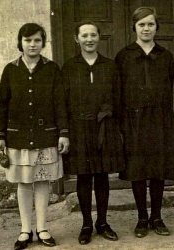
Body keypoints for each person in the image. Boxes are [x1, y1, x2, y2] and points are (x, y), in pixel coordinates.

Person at [0, 23, 69, 250]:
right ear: (21, 43)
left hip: (45, 135)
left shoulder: (52, 69)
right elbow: (2, 106)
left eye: (37, 40)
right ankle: (25, 230)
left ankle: (42, 228)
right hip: (18, 137)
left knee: (42, 182)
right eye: (28, 40)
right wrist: (0, 137)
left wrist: (63, 133)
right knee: (24, 182)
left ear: (43, 42)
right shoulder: (10, 69)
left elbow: (60, 104)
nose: (33, 44)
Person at [115, 7, 174, 238]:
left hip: (160, 119)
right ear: (134, 28)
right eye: (141, 25)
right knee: (138, 170)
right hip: (134, 121)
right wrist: (121, 124)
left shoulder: (165, 55)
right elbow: (118, 92)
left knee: (158, 170)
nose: (146, 29)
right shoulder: (124, 55)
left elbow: (173, 88)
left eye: (150, 24)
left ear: (156, 27)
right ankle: (142, 218)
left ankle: (157, 217)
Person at [62, 21, 123, 245]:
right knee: (84, 176)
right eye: (84, 35)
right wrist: (65, 131)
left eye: (93, 35)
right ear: (76, 39)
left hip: (103, 128)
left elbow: (118, 98)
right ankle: (87, 223)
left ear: (99, 38)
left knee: (103, 176)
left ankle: (103, 222)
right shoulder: (69, 67)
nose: (89, 39)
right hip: (79, 129)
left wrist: (110, 117)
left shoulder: (109, 66)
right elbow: (63, 102)